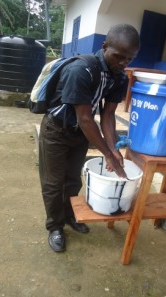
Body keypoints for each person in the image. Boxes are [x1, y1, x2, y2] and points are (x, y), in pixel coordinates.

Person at [38, 23, 140, 252]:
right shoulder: (81, 70)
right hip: (56, 131)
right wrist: (107, 154)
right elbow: (85, 118)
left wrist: (114, 150)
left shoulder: (119, 77)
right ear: (105, 47)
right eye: (119, 56)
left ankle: (70, 215)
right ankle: (55, 226)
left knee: (73, 179)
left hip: (80, 135)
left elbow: (108, 116)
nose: (123, 63)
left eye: (129, 59)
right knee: (53, 184)